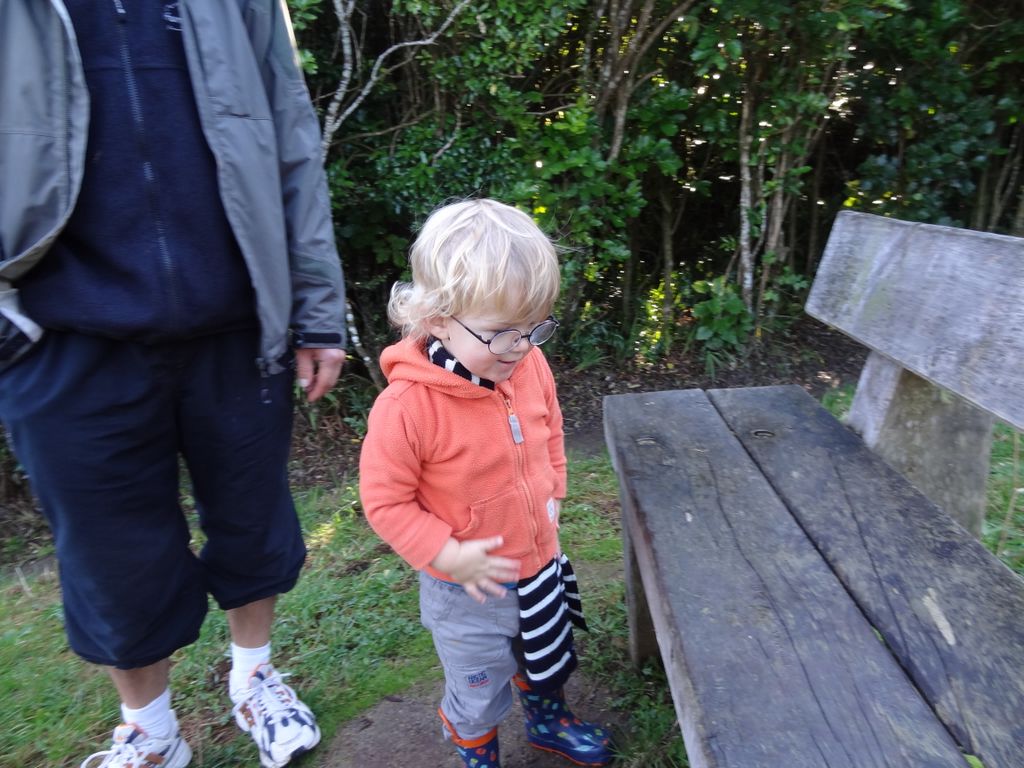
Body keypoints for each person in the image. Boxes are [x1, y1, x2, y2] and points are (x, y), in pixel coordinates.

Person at [0, 2, 346, 767]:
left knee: (255, 525)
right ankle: (150, 731)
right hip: (63, 336)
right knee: (113, 563)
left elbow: (290, 133)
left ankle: (255, 677)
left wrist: (318, 308)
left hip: (236, 324)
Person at [359, 199, 614, 767]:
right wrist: (449, 556)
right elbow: (385, 501)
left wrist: (554, 487)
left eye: (534, 328)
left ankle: (547, 722)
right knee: (478, 689)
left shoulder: (528, 364)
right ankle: (476, 747)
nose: (520, 347)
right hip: (465, 590)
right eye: (502, 333)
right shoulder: (407, 408)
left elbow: (550, 427)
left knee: (543, 656)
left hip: (538, 561)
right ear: (437, 319)